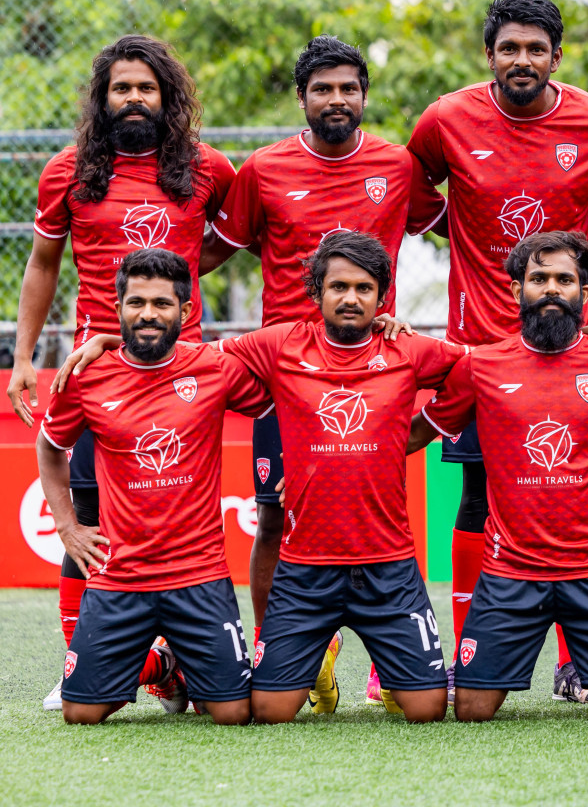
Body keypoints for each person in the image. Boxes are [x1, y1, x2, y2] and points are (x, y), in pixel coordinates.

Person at [407, 0, 588, 704]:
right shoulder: (446, 119)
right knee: (478, 496)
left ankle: (585, 661)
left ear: (556, 56)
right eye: (508, 48)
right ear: (489, 55)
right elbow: (412, 194)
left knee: (581, 493)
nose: (522, 60)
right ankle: (465, 649)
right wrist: (474, 249)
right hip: (480, 343)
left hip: (577, 346)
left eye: (535, 49)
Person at [200, 35, 445, 708]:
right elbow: (211, 253)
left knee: (387, 509)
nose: (336, 100)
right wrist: (137, 301)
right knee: (274, 515)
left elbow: (458, 225)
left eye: (348, 88)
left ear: (364, 95)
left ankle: (388, 669)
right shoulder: (264, 169)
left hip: (379, 369)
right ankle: (282, 652)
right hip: (288, 376)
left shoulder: (397, 165)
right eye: (323, 89)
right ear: (302, 98)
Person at [7, 35, 235, 710]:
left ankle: (187, 661)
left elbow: (230, 240)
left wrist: (170, 301)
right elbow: (43, 264)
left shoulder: (210, 169)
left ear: (168, 97)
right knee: (86, 511)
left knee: (179, 512)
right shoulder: (67, 172)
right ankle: (80, 659)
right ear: (103, 99)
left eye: (146, 87)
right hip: (93, 370)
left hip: (183, 373)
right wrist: (25, 357)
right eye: (121, 88)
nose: (134, 99)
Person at [411, 232, 588, 721]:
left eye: (564, 280)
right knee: (471, 710)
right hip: (511, 572)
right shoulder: (482, 365)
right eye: (538, 279)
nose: (552, 289)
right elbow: (412, 434)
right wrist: (319, 466)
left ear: (584, 291)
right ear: (517, 291)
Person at [218, 231, 463, 723]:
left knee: (428, 709)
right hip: (306, 568)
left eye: (364, 289)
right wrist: (113, 340)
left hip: (388, 566)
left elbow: (481, 371)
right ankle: (320, 665)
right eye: (339, 287)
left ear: (381, 297)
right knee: (267, 711)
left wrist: (421, 430)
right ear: (318, 292)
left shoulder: (406, 349)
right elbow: (193, 360)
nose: (351, 298)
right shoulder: (281, 344)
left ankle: (395, 678)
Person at [38, 249, 271, 724]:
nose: (148, 314)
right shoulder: (86, 376)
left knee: (233, 713)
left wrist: (301, 469)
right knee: (79, 713)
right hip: (120, 578)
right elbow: (48, 447)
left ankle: (188, 668)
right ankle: (163, 665)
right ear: (118, 306)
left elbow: (280, 398)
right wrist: (67, 527)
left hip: (200, 577)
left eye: (162, 304)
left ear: (185, 312)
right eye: (136, 302)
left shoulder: (214, 367)